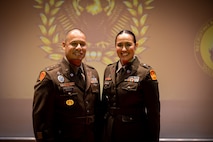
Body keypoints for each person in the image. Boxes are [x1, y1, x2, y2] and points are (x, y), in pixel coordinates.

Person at [33, 28, 102, 142]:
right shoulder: (50, 76)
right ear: (64, 45)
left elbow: (98, 111)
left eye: (82, 44)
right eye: (74, 43)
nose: (79, 47)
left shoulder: (92, 73)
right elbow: (41, 119)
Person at [102, 30, 160, 142]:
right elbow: (104, 106)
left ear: (136, 46)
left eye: (128, 44)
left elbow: (153, 113)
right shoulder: (109, 69)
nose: (124, 49)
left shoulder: (145, 73)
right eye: (119, 45)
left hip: (134, 133)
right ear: (115, 47)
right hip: (109, 133)